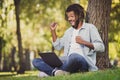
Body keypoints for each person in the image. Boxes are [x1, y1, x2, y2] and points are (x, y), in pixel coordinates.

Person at [32, 3, 105, 77]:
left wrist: (84, 42)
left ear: (79, 15)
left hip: (81, 60)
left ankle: (51, 71)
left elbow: (101, 47)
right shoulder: (68, 32)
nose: (69, 19)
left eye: (72, 16)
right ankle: (57, 72)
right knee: (36, 61)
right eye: (68, 17)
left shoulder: (90, 28)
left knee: (74, 56)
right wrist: (53, 31)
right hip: (66, 60)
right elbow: (58, 46)